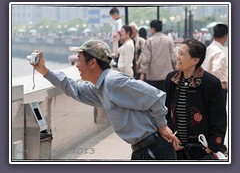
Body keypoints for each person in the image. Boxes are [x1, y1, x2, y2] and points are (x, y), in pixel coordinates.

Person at [31, 39, 180, 160]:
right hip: (141, 151)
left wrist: (162, 125)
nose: (77, 66)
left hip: (154, 150)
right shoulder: (101, 88)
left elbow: (156, 96)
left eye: (79, 60)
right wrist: (45, 71)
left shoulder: (113, 82)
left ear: (92, 63)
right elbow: (74, 88)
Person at [164, 38, 227, 160]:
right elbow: (165, 110)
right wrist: (170, 137)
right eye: (178, 52)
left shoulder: (211, 83)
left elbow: (219, 118)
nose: (177, 57)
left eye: (182, 54)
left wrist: (213, 145)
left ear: (195, 60)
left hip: (201, 149)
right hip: (175, 147)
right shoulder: (171, 79)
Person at [138, 19, 176, 91]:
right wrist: (177, 70)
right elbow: (174, 58)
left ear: (153, 29)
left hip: (153, 77)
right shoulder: (169, 40)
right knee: (166, 99)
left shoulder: (149, 41)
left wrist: (142, 74)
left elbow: (146, 59)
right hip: (167, 76)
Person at [202, 24, 228, 106]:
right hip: (218, 88)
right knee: (219, 116)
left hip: (205, 85)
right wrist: (219, 83)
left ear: (213, 35)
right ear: (226, 36)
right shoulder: (219, 52)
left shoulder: (209, 48)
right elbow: (216, 70)